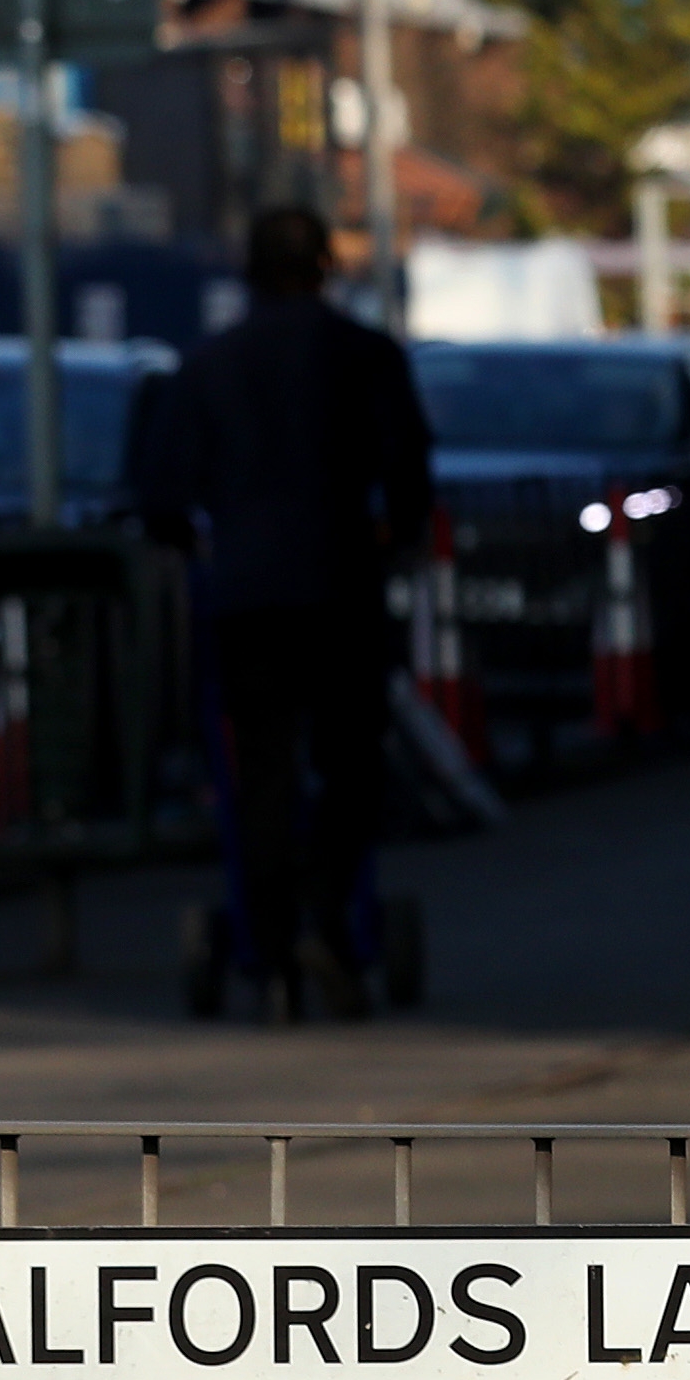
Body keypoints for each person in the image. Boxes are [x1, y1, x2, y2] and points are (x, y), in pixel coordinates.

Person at [132, 205, 434, 1018]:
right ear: (328, 267)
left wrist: (193, 541)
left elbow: (161, 494)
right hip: (343, 587)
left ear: (249, 271)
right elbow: (408, 470)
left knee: (258, 774)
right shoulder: (366, 357)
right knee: (351, 765)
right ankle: (330, 910)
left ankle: (267, 948)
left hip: (247, 597)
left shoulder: (208, 367)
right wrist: (399, 536)